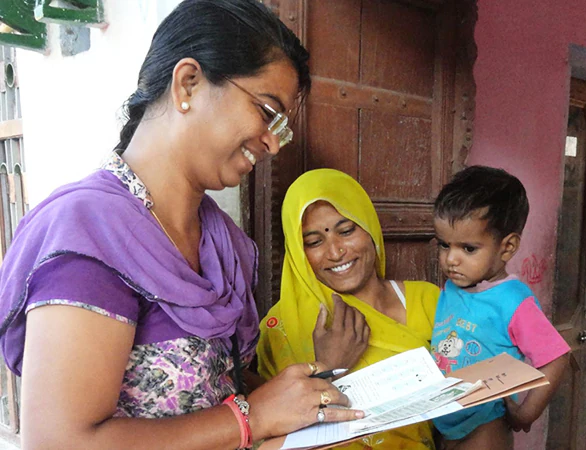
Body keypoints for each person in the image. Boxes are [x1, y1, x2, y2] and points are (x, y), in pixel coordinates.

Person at [0, 1, 363, 448]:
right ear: (188, 82)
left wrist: (289, 396)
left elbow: (208, 385)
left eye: (280, 127)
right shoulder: (91, 231)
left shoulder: (223, 241)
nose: (272, 143)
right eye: (267, 113)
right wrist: (251, 417)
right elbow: (60, 441)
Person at [257, 168, 440, 449]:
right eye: (314, 242)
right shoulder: (281, 327)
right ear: (298, 253)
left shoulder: (428, 300)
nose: (335, 251)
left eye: (346, 231)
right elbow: (269, 430)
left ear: (369, 228)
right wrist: (328, 368)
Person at [429, 166, 570, 450]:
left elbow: (556, 357)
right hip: (444, 419)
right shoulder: (452, 288)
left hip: (485, 425)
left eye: (468, 249)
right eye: (444, 245)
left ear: (507, 248)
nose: (451, 259)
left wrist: (526, 412)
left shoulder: (513, 301)